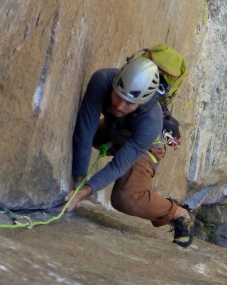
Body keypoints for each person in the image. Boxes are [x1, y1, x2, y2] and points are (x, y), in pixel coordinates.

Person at [65, 56, 194, 247]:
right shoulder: (102, 80)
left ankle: (178, 213)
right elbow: (85, 129)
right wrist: (79, 177)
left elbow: (120, 163)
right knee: (83, 135)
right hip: (115, 130)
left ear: (141, 102)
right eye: (118, 95)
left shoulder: (151, 122)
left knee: (125, 198)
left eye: (129, 103)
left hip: (145, 148)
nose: (119, 105)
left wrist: (86, 189)